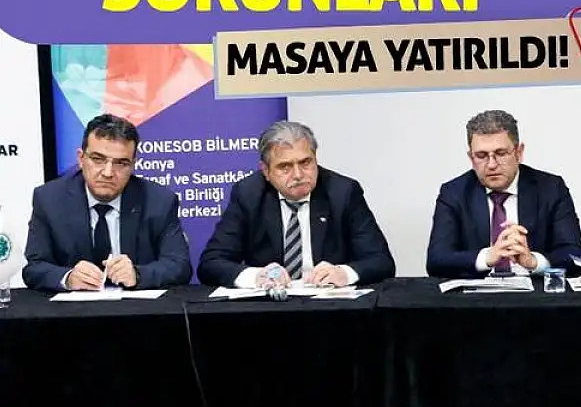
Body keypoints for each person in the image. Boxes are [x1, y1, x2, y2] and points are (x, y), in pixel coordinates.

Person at [197, 120, 395, 288]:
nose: (298, 174)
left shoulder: (343, 192)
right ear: (265, 171)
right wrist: (256, 276)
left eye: (305, 162)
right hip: (269, 308)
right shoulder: (248, 194)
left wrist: (344, 273)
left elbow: (381, 261)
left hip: (330, 306)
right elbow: (211, 264)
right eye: (285, 167)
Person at [23, 113, 191, 291]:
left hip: (137, 306)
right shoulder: (49, 199)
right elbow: (34, 268)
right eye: (98, 159)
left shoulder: (159, 201)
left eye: (121, 163)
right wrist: (68, 277)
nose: (108, 173)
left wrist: (138, 274)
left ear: (133, 165)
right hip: (73, 308)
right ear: (81, 159)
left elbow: (179, 266)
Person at [426, 110, 581, 279]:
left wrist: (533, 261)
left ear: (519, 152)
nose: (491, 164)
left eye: (501, 154)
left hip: (535, 292)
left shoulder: (550, 188)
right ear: (471, 158)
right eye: (481, 156)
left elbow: (577, 258)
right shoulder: (454, 193)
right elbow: (436, 261)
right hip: (478, 294)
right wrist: (487, 257)